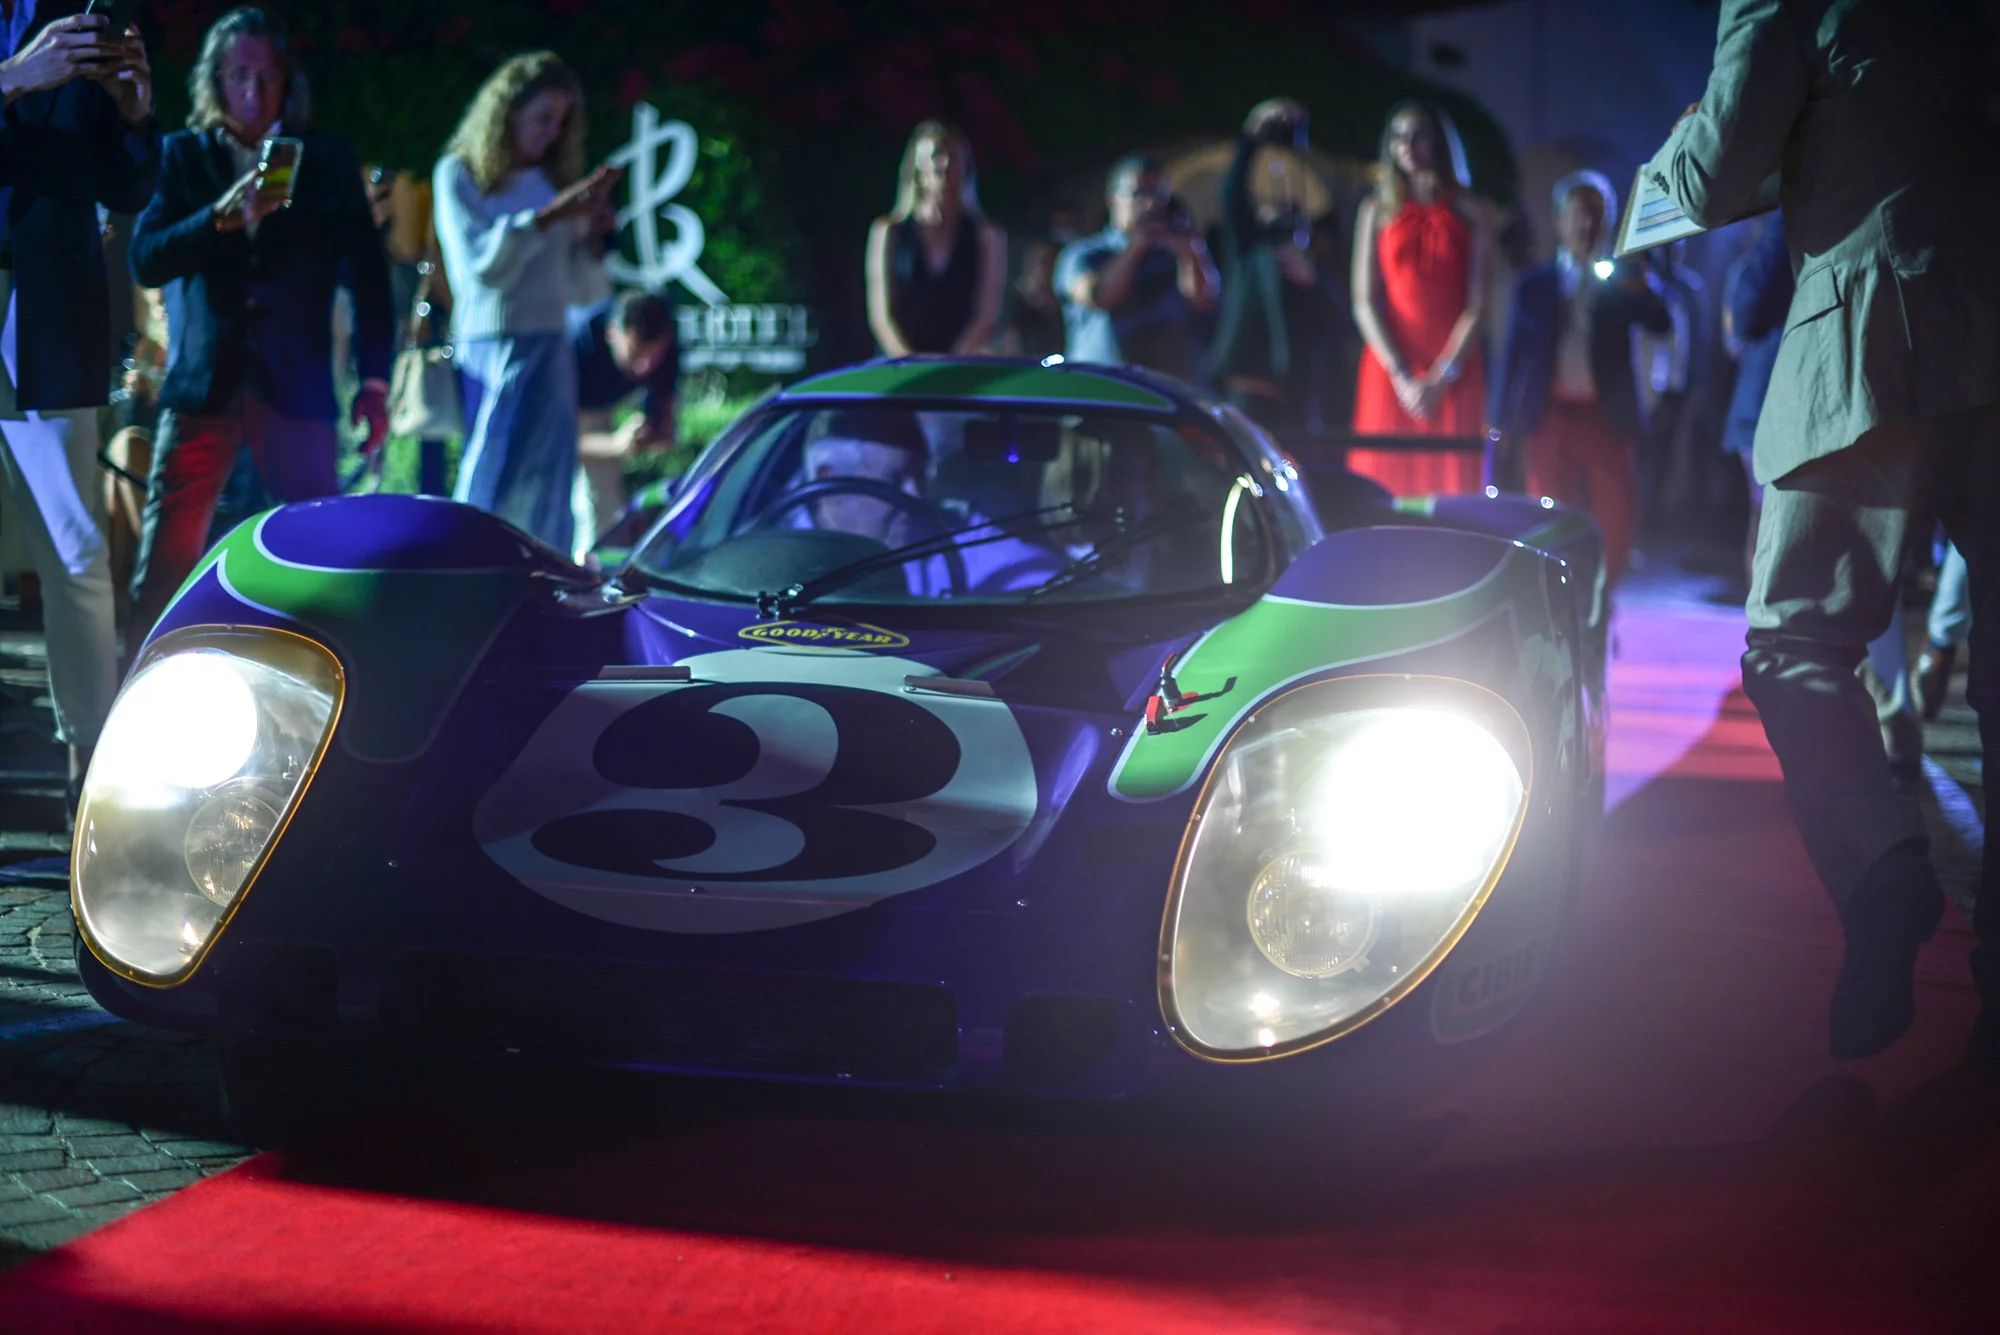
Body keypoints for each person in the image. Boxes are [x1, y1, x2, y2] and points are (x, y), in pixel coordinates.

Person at [1644, 0, 2000, 1062]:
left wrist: (1679, 141)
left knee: (1795, 643)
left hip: (1866, 331)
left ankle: (1882, 875)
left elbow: (1713, 172)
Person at [124, 7, 392, 653]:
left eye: (268, 76)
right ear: (215, 79)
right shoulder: (182, 156)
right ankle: (140, 692)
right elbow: (145, 256)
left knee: (322, 559)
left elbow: (369, 277)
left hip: (295, 389)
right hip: (203, 384)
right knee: (168, 559)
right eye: (240, 74)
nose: (254, 90)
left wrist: (374, 381)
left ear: (286, 82)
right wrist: (216, 218)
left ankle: (338, 699)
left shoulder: (323, 160)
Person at [0, 3, 156, 798]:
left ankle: (91, 771)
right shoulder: (34, 49)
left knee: (76, 549)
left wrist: (133, 115)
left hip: (45, 309)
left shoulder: (74, 22)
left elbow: (126, 185)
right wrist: (11, 79)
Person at [1725, 213, 1924, 777]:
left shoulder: (1786, 221)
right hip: (1873, 394)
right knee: (1873, 551)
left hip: (1790, 401)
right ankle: (1890, 703)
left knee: (1781, 551)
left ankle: (1805, 693)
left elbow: (1744, 318)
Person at [433, 52, 622, 554]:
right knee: (489, 477)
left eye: (561, 122)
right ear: (508, 110)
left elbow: (585, 292)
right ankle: (468, 577)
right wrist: (549, 218)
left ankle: (543, 588)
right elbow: (480, 271)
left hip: (551, 345)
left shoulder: (553, 185)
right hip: (489, 347)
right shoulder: (459, 174)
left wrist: (597, 236)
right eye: (543, 117)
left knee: (548, 484)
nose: (551, 132)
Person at [1488, 171, 1669, 588]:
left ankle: (1602, 599)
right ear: (1559, 221)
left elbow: (1660, 322)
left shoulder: (1623, 280)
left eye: (1596, 217)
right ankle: (1555, 597)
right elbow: (1512, 354)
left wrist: (1642, 283)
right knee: (1548, 513)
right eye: (1577, 216)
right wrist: (1499, 418)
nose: (1586, 226)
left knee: (1617, 515)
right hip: (1548, 416)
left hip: (1606, 416)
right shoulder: (1534, 284)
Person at [1347, 100, 1489, 495]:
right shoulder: (1376, 209)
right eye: (1397, 137)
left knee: (1450, 497)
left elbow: (1479, 305)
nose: (1406, 145)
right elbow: (1362, 299)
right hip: (1392, 368)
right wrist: (1401, 375)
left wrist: (1442, 376)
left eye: (1417, 135)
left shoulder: (1472, 211)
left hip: (1453, 370)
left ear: (1439, 143)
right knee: (1383, 492)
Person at [1204, 99, 1330, 432]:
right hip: (1247, 393)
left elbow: (1336, 327)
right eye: (1275, 210)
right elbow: (1233, 195)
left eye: (1293, 216)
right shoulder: (1250, 251)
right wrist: (1253, 132)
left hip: (1297, 402)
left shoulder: (1312, 273)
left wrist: (1311, 282)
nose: (1282, 216)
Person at [1057, 155, 1217, 378]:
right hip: (1099, 392)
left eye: (1158, 196)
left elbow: (1203, 300)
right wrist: (1137, 245)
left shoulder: (1174, 254)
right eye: (1138, 194)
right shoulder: (1083, 254)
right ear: (1112, 198)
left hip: (1165, 391)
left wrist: (1191, 252)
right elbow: (1100, 297)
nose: (1150, 204)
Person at [865, 122, 1007, 358]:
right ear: (917, 166)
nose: (945, 164)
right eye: (936, 155)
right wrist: (910, 361)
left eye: (954, 157)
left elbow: (986, 314)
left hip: (962, 366)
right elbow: (881, 316)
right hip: (901, 366)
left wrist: (950, 364)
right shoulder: (888, 231)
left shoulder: (988, 235)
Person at [569, 288, 677, 554]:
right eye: (635, 353)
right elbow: (563, 443)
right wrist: (614, 445)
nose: (644, 368)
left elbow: (666, 423)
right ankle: (589, 574)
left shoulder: (666, 341)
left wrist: (657, 430)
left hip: (611, 397)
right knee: (596, 501)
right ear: (612, 333)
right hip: (572, 407)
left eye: (654, 357)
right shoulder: (575, 346)